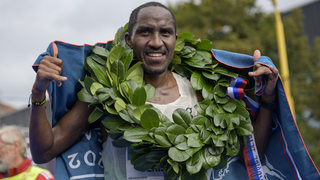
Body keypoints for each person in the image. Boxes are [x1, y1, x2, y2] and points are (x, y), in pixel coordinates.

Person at [29, 1, 278, 180]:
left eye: (165, 33)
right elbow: (44, 151)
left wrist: (266, 97)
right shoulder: (105, 95)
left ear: (175, 40)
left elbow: (245, 154)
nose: (156, 42)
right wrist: (39, 93)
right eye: (145, 32)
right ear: (129, 40)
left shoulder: (202, 92)